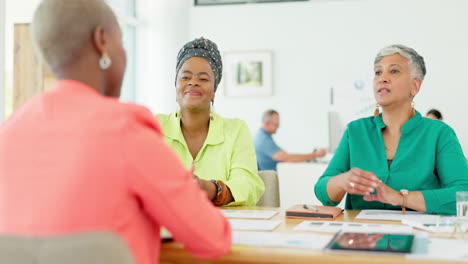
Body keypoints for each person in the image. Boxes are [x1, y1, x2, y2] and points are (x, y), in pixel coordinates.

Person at [0, 1, 231, 264]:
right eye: (122, 41)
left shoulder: (9, 132)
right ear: (102, 41)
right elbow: (214, 239)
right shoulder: (127, 129)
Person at [314, 44, 468, 215]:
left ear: (415, 86)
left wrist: (401, 198)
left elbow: (463, 195)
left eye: (394, 71)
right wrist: (341, 181)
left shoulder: (440, 133)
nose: (382, 78)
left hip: (422, 234)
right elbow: (324, 194)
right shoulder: (355, 130)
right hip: (362, 237)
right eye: (378, 72)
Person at [157, 37, 264, 206]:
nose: (193, 82)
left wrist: (211, 189)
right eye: (185, 77)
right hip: (164, 227)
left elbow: (248, 184)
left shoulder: (236, 129)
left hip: (223, 226)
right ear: (175, 85)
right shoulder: (154, 127)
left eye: (203, 79)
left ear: (214, 90)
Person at [254, 109, 327, 171]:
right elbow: (286, 157)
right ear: (267, 123)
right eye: (276, 124)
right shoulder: (263, 140)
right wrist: (315, 155)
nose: (278, 127)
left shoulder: (262, 136)